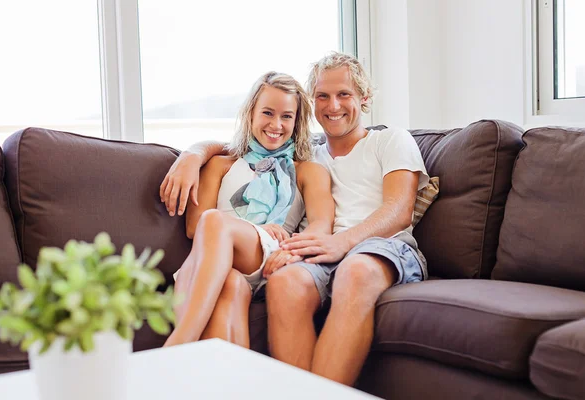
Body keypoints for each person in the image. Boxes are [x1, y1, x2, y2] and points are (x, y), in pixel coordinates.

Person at [160, 53, 429, 386]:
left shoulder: (390, 140)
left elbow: (399, 209)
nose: (333, 105)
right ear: (312, 104)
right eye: (323, 96)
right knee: (284, 283)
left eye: (344, 94)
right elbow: (235, 149)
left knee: (355, 270)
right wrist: (193, 153)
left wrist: (335, 243)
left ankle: (177, 353)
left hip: (378, 247)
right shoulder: (306, 154)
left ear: (365, 98)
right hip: (316, 254)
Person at [163, 71, 334, 348]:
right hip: (218, 264)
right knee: (229, 285)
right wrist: (254, 228)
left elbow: (322, 225)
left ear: (297, 121)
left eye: (286, 116)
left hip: (270, 255)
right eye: (267, 113)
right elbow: (195, 227)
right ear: (250, 113)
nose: (276, 124)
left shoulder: (308, 171)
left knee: (215, 221)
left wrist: (290, 250)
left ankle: (178, 343)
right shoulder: (221, 165)